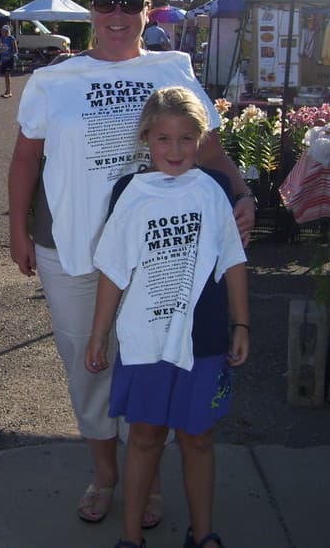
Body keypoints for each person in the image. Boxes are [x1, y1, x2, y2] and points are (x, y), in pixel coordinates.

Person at [7, 0, 255, 531]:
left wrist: (242, 195)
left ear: (147, 11)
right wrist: (18, 229)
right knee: (88, 365)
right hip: (72, 246)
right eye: (105, 2)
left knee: (152, 360)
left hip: (162, 253)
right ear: (91, 10)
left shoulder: (172, 69)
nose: (116, 14)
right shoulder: (53, 80)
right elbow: (25, 159)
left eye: (128, 3)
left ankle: (149, 478)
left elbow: (210, 151)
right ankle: (105, 475)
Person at [86, 86, 249, 548]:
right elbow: (113, 269)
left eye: (185, 139)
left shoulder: (216, 188)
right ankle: (130, 537)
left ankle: (204, 533)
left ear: (201, 140)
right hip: (147, 340)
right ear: (146, 139)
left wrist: (241, 322)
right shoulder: (128, 191)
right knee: (145, 435)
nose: (174, 150)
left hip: (206, 337)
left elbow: (233, 261)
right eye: (163, 139)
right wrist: (99, 334)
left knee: (198, 438)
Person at [0, 24, 17, 98]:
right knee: (5, 76)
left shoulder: (11, 38)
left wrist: (9, 56)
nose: (2, 32)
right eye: (1, 31)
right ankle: (7, 90)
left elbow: (15, 50)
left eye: (3, 31)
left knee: (7, 74)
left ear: (7, 31)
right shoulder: (2, 38)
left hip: (10, 59)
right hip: (3, 59)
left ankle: (9, 92)